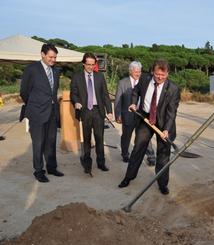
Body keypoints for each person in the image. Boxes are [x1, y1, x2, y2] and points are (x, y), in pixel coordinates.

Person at [118, 59, 180, 195]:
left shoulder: (173, 89)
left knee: (163, 155)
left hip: (164, 123)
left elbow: (172, 112)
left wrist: (166, 130)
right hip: (145, 118)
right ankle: (128, 177)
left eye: (163, 75)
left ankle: (162, 184)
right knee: (138, 149)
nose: (160, 77)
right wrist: (134, 103)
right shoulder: (145, 79)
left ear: (167, 74)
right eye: (157, 74)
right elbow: (135, 91)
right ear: (153, 72)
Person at [20, 43, 64, 182]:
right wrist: (33, 104)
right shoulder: (32, 69)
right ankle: (38, 171)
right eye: (51, 57)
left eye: (55, 57)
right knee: (38, 143)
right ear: (42, 54)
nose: (53, 60)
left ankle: (51, 167)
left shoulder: (56, 71)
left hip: (52, 112)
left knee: (51, 142)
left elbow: (53, 92)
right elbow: (24, 92)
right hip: (37, 112)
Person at [70, 53, 113, 174]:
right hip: (84, 111)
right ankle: (87, 164)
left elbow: (105, 95)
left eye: (92, 64)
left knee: (99, 138)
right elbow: (73, 93)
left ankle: (101, 163)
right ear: (83, 64)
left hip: (98, 111)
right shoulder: (77, 76)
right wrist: (76, 102)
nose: (90, 67)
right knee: (86, 139)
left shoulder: (99, 76)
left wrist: (109, 111)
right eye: (88, 64)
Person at [114, 61, 156, 164]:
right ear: (130, 71)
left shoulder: (146, 82)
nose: (138, 74)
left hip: (142, 115)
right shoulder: (122, 83)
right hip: (127, 115)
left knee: (145, 137)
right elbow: (118, 100)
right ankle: (125, 154)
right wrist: (118, 115)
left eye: (140, 71)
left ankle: (151, 157)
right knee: (126, 136)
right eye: (136, 71)